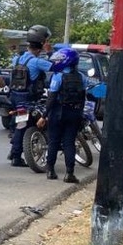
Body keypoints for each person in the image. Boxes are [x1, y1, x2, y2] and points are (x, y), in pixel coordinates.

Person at [8, 25, 53, 167]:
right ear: (41, 44)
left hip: (15, 96)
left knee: (20, 124)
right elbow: (55, 67)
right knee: (24, 125)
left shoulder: (17, 59)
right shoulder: (36, 62)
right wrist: (50, 52)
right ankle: (16, 155)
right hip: (27, 99)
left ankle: (15, 150)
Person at [40, 47, 87, 183]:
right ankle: (69, 173)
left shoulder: (58, 76)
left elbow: (51, 98)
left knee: (53, 141)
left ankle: (50, 171)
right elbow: (83, 98)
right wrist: (80, 114)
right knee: (69, 143)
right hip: (74, 113)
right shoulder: (82, 77)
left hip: (58, 113)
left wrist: (44, 116)